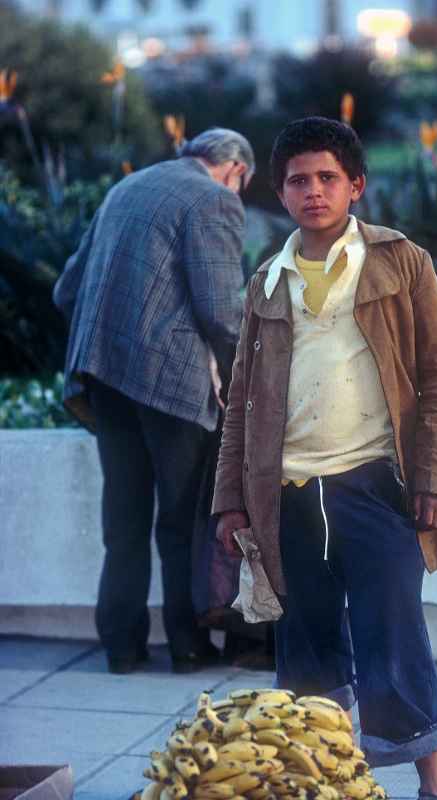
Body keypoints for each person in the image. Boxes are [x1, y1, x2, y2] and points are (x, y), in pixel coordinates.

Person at [213, 117, 437, 800]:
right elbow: (240, 402)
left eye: (328, 177)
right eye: (298, 180)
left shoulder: (400, 261)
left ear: (355, 185)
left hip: (377, 486)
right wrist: (230, 500)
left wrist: (436, 478)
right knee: (305, 648)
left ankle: (436, 788)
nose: (314, 191)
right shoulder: (267, 281)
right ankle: (323, 783)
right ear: (280, 192)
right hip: (287, 496)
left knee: (395, 638)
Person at [53, 128, 255, 675]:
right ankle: (187, 646)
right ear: (235, 170)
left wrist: (117, 336)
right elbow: (221, 313)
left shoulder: (127, 188)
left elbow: (65, 290)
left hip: (103, 376)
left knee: (123, 520)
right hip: (171, 384)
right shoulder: (214, 198)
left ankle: (121, 646)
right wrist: (244, 377)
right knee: (179, 522)